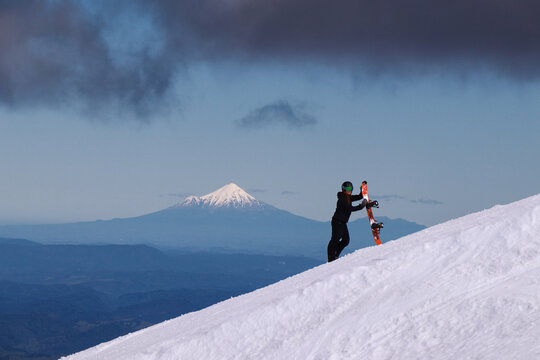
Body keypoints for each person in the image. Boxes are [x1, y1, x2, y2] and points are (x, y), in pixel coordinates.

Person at [327, 181, 378, 262]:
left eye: (350, 188)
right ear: (343, 189)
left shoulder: (348, 197)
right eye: (347, 188)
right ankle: (331, 257)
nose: (349, 190)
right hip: (337, 222)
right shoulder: (342, 199)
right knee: (335, 240)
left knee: (345, 241)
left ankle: (335, 254)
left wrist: (362, 189)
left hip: (343, 222)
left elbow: (359, 197)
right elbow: (351, 209)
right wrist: (361, 206)